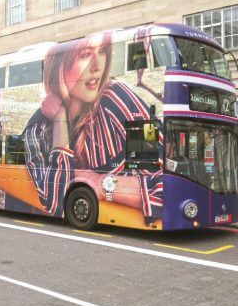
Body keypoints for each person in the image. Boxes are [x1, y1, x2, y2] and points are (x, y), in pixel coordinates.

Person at [23, 32, 163, 225]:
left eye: (103, 52)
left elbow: (163, 183)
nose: (98, 66)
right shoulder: (35, 130)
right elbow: (55, 202)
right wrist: (60, 122)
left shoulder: (118, 98)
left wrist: (102, 184)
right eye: (85, 55)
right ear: (59, 67)